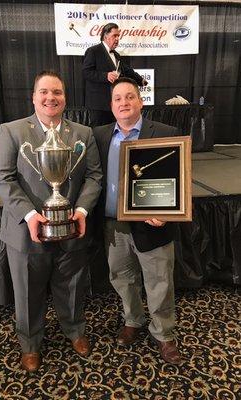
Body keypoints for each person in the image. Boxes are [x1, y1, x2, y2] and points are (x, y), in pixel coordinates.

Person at [0, 71, 102, 372]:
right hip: (26, 232)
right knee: (27, 292)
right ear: (33, 96)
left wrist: (81, 211)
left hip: (72, 226)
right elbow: (2, 178)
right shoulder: (12, 131)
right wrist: (30, 214)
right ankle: (30, 344)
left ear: (65, 97)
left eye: (57, 92)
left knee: (74, 285)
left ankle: (75, 330)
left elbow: (94, 177)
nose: (50, 97)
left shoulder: (83, 134)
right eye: (44, 92)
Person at [93, 77, 182, 365]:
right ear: (111, 105)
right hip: (112, 226)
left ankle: (164, 334)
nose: (123, 103)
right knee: (121, 278)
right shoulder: (99, 135)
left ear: (140, 101)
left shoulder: (165, 133)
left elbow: (176, 181)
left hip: (152, 224)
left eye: (129, 97)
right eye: (118, 98)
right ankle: (133, 319)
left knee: (159, 281)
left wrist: (166, 213)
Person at [83, 23, 147, 128]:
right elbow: (86, 72)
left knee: (112, 131)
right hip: (98, 103)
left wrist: (140, 80)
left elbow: (127, 70)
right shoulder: (93, 51)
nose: (117, 39)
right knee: (99, 132)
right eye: (114, 36)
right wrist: (105, 75)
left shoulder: (116, 55)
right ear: (105, 36)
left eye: (118, 36)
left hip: (114, 103)